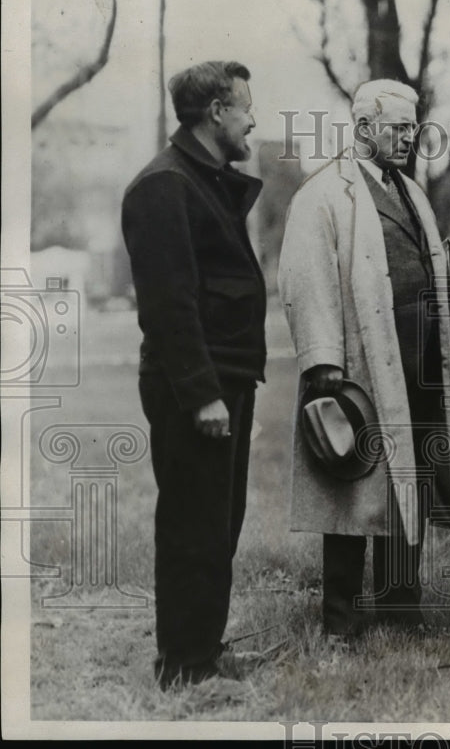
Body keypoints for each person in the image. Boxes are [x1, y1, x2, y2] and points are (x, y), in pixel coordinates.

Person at [278, 79, 450, 646]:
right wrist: (323, 364)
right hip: (356, 365)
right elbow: (304, 279)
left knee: (406, 479)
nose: (409, 137)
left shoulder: (409, 190)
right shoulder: (322, 194)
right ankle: (339, 616)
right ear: (363, 129)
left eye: (413, 127)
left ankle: (399, 605)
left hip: (414, 363)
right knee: (350, 481)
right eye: (398, 128)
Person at [121, 61, 266, 690]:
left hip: (226, 379)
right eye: (245, 108)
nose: (253, 120)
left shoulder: (203, 178)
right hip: (196, 388)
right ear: (216, 113)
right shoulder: (164, 186)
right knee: (192, 522)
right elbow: (168, 306)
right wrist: (203, 395)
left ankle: (201, 648)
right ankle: (183, 665)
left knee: (219, 520)